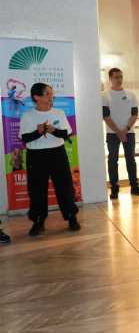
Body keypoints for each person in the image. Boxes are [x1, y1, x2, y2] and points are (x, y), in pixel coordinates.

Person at [20, 83, 81, 236]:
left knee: (65, 187)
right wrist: (38, 132)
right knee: (37, 190)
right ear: (37, 97)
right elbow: (25, 138)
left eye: (51, 94)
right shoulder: (28, 115)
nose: (51, 96)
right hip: (36, 156)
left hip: (57, 154)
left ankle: (71, 217)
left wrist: (54, 130)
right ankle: (38, 221)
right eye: (47, 94)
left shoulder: (59, 113)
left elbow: (66, 134)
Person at [102, 68, 139, 200]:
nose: (119, 79)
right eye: (116, 77)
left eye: (121, 77)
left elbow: (134, 114)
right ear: (110, 79)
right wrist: (118, 131)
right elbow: (105, 116)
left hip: (129, 132)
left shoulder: (131, 94)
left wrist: (125, 129)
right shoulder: (104, 95)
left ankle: (134, 186)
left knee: (131, 160)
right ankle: (114, 188)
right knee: (112, 160)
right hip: (112, 133)